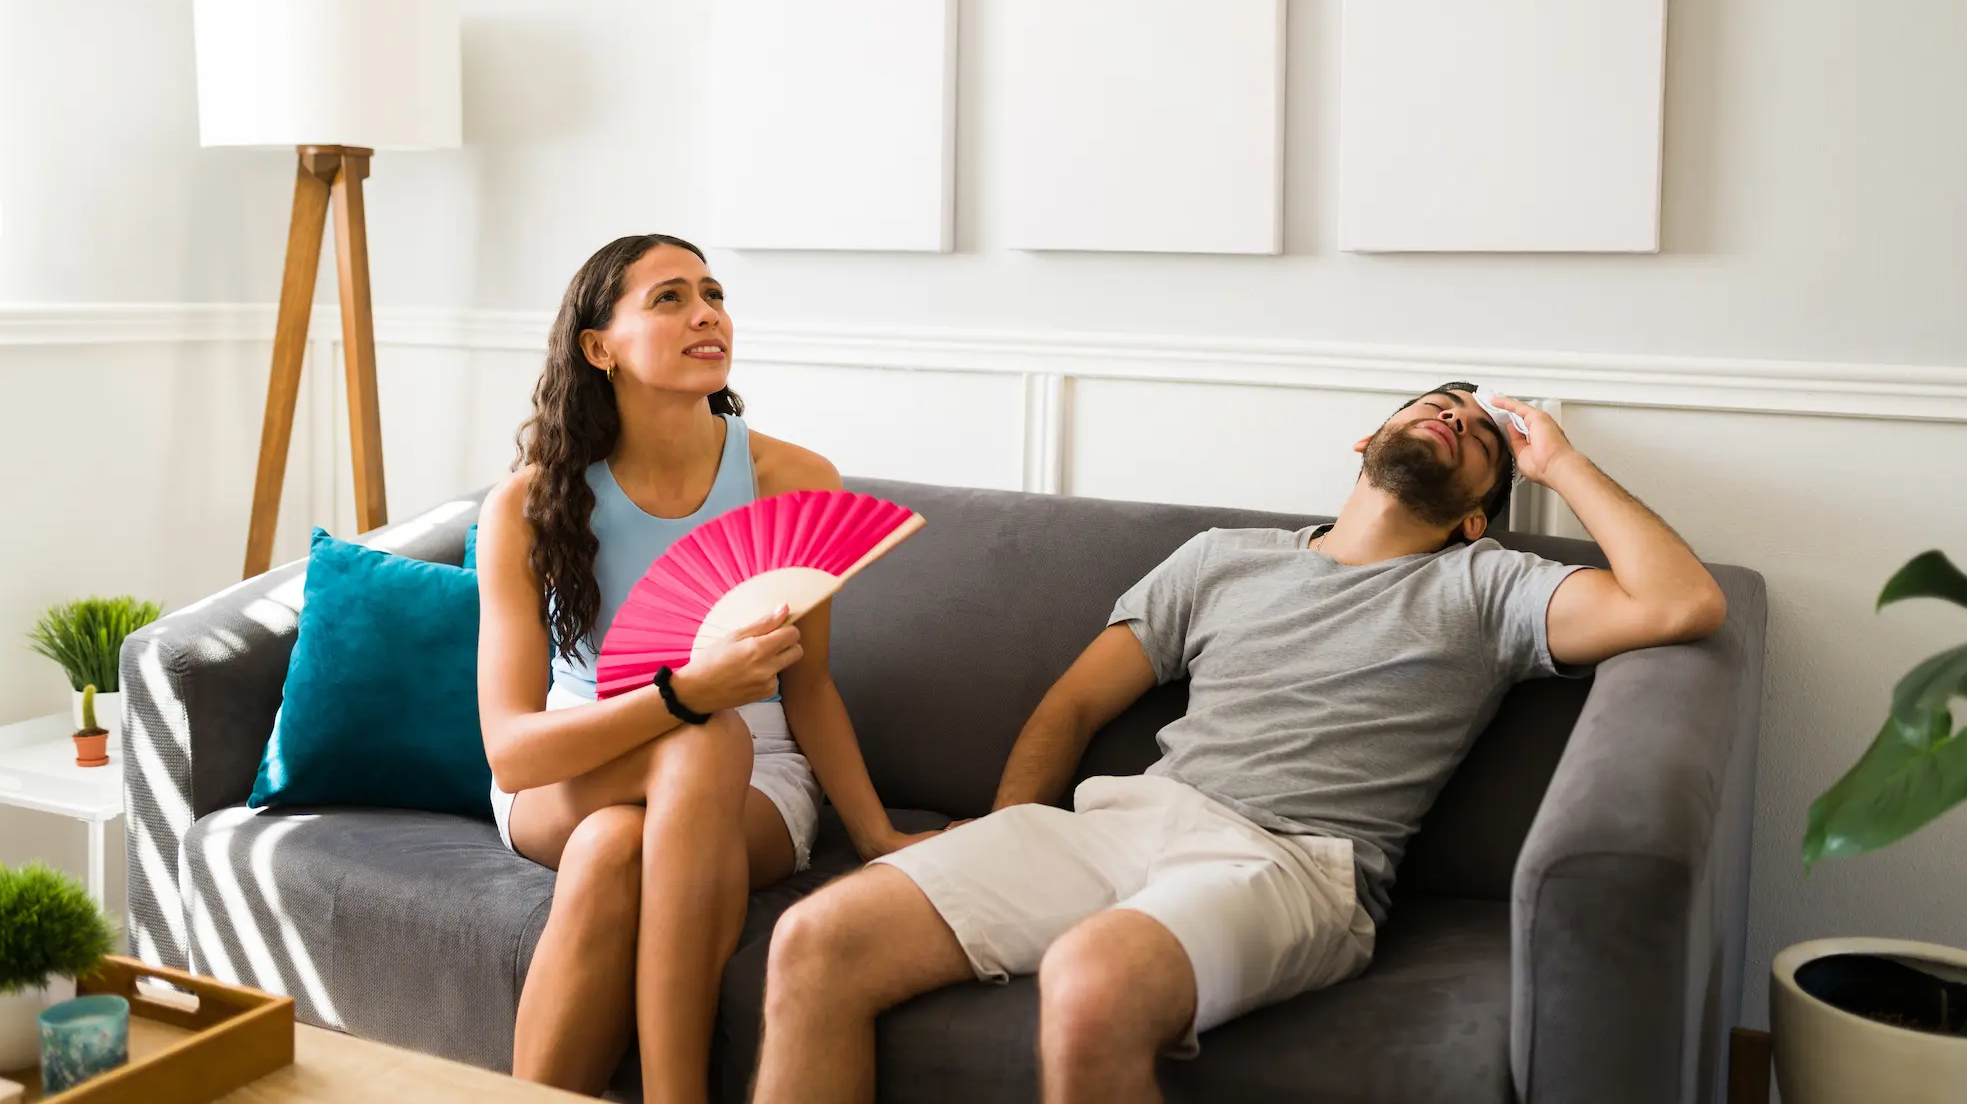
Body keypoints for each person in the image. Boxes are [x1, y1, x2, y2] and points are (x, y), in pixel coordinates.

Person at [752, 384, 1728, 1104]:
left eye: (1480, 435)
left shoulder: (1486, 583)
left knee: (1091, 981)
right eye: (1437, 405)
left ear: (1475, 512)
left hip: (1290, 859)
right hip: (1116, 821)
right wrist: (1004, 831)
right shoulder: (1221, 557)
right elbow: (1071, 706)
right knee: (814, 937)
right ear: (1366, 438)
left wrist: (1555, 460)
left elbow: (1679, 601)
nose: (1456, 419)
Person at [474, 233, 931, 1103]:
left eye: (713, 293)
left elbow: (811, 686)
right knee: (698, 736)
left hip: (755, 779)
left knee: (623, 837)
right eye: (670, 298)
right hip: (572, 766)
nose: (707, 313)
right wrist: (685, 695)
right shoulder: (528, 505)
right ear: (599, 347)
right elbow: (513, 753)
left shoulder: (793, 479)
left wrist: (876, 837)